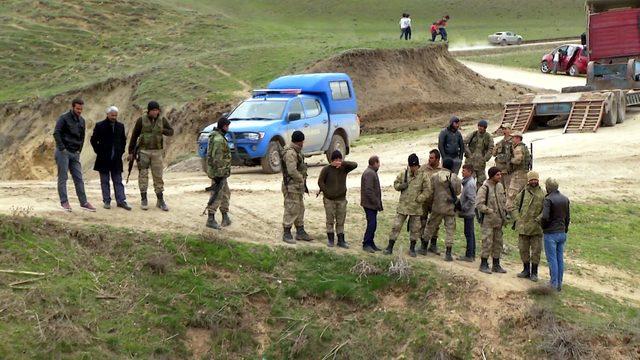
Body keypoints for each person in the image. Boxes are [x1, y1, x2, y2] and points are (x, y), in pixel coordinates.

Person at [127, 101, 174, 211]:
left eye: (156, 110)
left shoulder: (162, 120)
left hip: (157, 152)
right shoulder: (141, 120)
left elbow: (171, 132)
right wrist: (130, 152)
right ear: (149, 110)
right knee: (143, 175)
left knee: (158, 176)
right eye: (153, 110)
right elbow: (134, 136)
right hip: (143, 151)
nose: (155, 112)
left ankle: (160, 200)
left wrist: (162, 130)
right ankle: (144, 199)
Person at [383, 154, 432, 257]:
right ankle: (390, 246)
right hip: (403, 207)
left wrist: (420, 198)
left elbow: (428, 190)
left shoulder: (423, 175)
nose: (413, 168)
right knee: (396, 226)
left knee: (415, 229)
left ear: (417, 165)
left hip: (416, 207)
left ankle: (412, 248)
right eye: (411, 166)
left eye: (414, 166)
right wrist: (401, 186)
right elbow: (395, 184)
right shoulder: (403, 174)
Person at [53, 98, 95, 212]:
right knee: (63, 177)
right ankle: (64, 202)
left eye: (81, 109)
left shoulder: (82, 120)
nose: (79, 111)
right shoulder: (63, 118)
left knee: (78, 178)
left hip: (74, 153)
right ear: (72, 107)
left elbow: (82, 136)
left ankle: (84, 202)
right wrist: (62, 148)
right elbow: (56, 132)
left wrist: (78, 151)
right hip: (63, 152)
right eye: (77, 108)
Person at [89, 106, 130, 210]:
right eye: (112, 115)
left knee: (118, 180)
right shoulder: (100, 125)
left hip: (116, 159)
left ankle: (121, 201)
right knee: (104, 181)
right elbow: (93, 140)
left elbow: (123, 141)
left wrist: (121, 152)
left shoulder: (120, 126)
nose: (114, 117)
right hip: (103, 159)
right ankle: (106, 201)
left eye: (115, 115)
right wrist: (99, 151)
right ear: (107, 114)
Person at [422, 158, 461, 261]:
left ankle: (424, 247)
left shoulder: (435, 177)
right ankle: (448, 253)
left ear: (442, 164)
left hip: (437, 206)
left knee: (430, 227)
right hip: (450, 208)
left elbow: (431, 191)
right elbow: (457, 192)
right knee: (450, 230)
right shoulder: (456, 178)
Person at [318, 150, 358, 248]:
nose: (338, 161)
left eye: (340, 159)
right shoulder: (326, 169)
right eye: (336, 159)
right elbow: (320, 182)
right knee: (330, 219)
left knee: (341, 220)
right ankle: (330, 239)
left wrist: (343, 163)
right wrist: (326, 192)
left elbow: (355, 165)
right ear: (332, 160)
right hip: (329, 199)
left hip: (341, 199)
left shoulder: (344, 168)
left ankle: (341, 240)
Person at [281, 131, 312, 244]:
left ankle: (300, 231)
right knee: (291, 208)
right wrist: (301, 179)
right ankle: (287, 232)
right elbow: (292, 170)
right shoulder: (290, 153)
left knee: (300, 208)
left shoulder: (295, 151)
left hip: (297, 186)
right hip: (291, 186)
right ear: (300, 141)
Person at [514, 171, 545, 282]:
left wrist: (539, 219)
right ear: (528, 180)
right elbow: (514, 207)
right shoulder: (522, 193)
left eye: (535, 179)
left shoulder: (543, 194)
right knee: (523, 250)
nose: (533, 181)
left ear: (538, 180)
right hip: (523, 228)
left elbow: (546, 210)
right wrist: (518, 218)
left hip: (537, 228)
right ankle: (526, 270)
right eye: (531, 179)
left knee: (536, 251)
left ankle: (534, 272)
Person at [476, 166, 508, 274]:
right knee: (487, 242)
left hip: (499, 221)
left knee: (498, 243)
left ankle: (496, 264)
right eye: (497, 175)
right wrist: (489, 211)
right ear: (492, 176)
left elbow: (503, 201)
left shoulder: (500, 186)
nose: (500, 176)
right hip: (488, 221)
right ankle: (484, 264)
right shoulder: (484, 188)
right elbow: (479, 204)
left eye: (500, 174)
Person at [542, 178, 570, 292]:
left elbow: (544, 217)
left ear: (548, 187)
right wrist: (565, 229)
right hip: (562, 232)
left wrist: (543, 227)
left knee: (552, 260)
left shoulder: (548, 199)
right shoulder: (565, 199)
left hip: (551, 233)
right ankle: (559, 284)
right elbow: (567, 217)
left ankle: (553, 284)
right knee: (559, 259)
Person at [205, 117, 232, 229]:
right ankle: (211, 218)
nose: (228, 128)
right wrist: (219, 175)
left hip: (221, 172)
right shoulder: (219, 140)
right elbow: (217, 159)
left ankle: (225, 216)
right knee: (217, 195)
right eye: (227, 126)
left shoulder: (216, 137)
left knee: (225, 194)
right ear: (223, 126)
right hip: (219, 173)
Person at [418, 149, 443, 255]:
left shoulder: (442, 171)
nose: (429, 159)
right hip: (424, 201)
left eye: (432, 158)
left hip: (435, 201)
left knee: (435, 224)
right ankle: (423, 243)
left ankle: (433, 244)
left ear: (437, 159)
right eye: (429, 157)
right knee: (422, 221)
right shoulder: (423, 168)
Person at [361, 155, 383, 253]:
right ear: (374, 163)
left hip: (371, 204)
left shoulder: (371, 172)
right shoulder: (370, 173)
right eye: (378, 163)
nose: (379, 165)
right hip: (369, 204)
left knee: (373, 224)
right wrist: (376, 202)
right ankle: (366, 243)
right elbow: (368, 190)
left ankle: (371, 242)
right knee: (372, 224)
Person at [464, 119, 494, 188]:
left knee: (481, 182)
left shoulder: (488, 137)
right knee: (469, 181)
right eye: (479, 126)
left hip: (480, 164)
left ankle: (479, 196)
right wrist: (469, 153)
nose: (480, 128)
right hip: (470, 162)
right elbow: (464, 143)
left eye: (482, 126)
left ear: (485, 128)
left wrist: (485, 158)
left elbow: (491, 148)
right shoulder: (473, 134)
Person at [506, 131, 531, 212]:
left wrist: (510, 160)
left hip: (519, 174)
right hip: (524, 173)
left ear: (517, 138)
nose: (512, 139)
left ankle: (510, 212)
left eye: (513, 137)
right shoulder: (524, 147)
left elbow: (518, 160)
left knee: (512, 193)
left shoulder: (518, 148)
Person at [457, 164, 476, 262]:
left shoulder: (470, 184)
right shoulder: (467, 182)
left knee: (469, 234)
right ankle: (471, 254)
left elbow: (472, 200)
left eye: (464, 171)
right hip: (469, 212)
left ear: (469, 172)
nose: (462, 172)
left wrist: (463, 208)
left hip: (468, 212)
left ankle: (469, 255)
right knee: (470, 233)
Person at [492, 125, 513, 190]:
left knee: (509, 189)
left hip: (509, 170)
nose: (504, 130)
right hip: (500, 170)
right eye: (503, 129)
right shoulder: (500, 142)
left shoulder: (514, 142)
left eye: (505, 129)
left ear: (510, 130)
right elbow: (493, 154)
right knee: (500, 189)